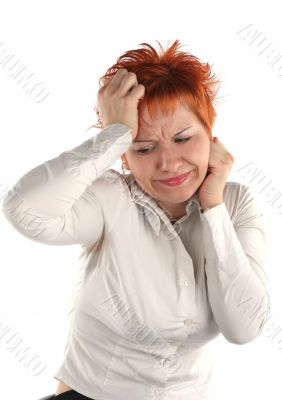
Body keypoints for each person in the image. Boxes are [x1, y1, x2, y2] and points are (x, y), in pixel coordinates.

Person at [1, 39, 271, 400]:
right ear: (124, 156)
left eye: (183, 138)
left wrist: (212, 207)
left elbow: (244, 327)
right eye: (143, 148)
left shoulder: (234, 203)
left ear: (211, 134)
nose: (169, 163)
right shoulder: (110, 198)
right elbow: (25, 210)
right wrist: (112, 137)